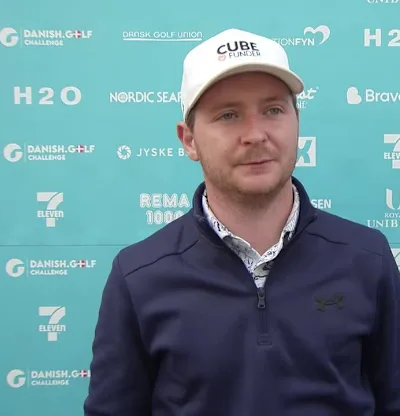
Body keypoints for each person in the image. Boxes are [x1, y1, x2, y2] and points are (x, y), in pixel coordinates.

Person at [83, 28, 400, 415]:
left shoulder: (367, 257)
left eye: (273, 110)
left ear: (297, 121)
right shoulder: (139, 275)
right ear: (189, 140)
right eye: (228, 115)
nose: (255, 134)